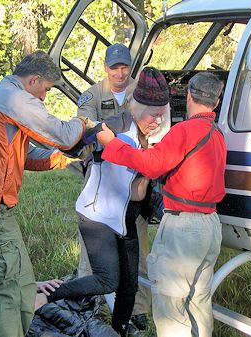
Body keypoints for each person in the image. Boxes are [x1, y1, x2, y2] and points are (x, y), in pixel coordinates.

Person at [0, 50, 92, 337]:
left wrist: (65, 159)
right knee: (14, 290)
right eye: (46, 90)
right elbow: (63, 134)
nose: (45, 97)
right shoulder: (15, 98)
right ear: (34, 80)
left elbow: (23, 156)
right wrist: (85, 122)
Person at [42, 67, 171, 337]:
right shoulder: (115, 127)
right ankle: (43, 298)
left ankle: (120, 330)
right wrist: (87, 150)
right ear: (137, 107)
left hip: (125, 217)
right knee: (106, 279)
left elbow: (136, 193)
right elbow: (72, 144)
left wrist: (148, 169)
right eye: (154, 115)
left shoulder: (148, 135)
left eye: (162, 115)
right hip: (97, 216)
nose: (158, 121)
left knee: (129, 285)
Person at [97, 72, 226, 337]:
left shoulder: (185, 130)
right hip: (211, 225)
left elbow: (152, 164)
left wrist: (112, 145)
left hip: (184, 228)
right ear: (217, 101)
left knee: (171, 308)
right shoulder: (217, 133)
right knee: (198, 302)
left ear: (188, 95)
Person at [76, 43, 152, 330]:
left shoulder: (141, 89)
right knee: (92, 246)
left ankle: (138, 308)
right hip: (102, 177)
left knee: (137, 244)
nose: (120, 73)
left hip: (134, 178)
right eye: (114, 67)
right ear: (105, 67)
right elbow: (85, 125)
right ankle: (90, 300)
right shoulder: (94, 94)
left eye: (124, 67)